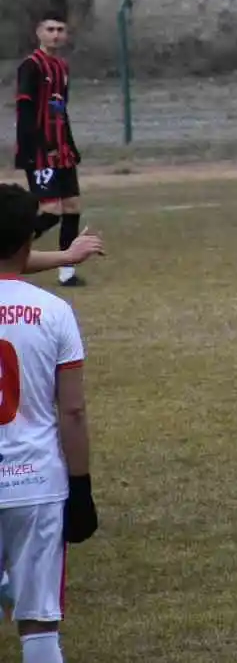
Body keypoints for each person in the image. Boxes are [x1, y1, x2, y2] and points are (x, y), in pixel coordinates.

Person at [0, 185, 98, 663]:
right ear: (29, 239)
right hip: (36, 484)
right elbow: (73, 412)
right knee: (39, 626)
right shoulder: (55, 312)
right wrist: (81, 488)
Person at [13, 13, 88, 287]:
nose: (56, 34)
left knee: (72, 207)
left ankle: (67, 272)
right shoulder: (30, 66)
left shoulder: (62, 67)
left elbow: (60, 110)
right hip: (40, 150)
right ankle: (8, 249)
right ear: (39, 33)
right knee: (50, 211)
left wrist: (70, 145)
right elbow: (25, 109)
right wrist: (30, 149)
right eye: (50, 29)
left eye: (60, 29)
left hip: (62, 149)